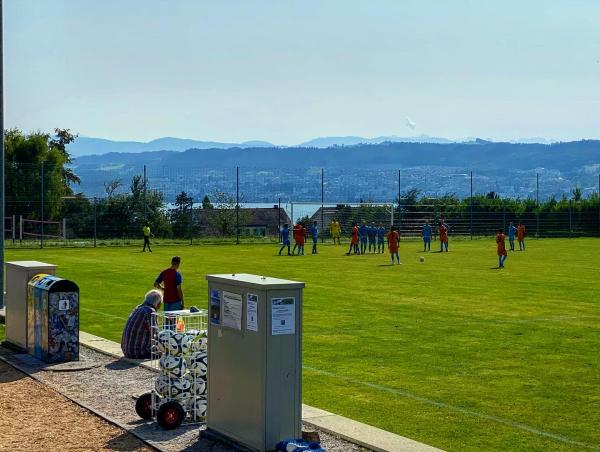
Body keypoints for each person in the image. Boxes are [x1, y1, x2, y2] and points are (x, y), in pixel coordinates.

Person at [121, 289, 162, 359]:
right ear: (158, 304)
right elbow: (155, 335)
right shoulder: (150, 312)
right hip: (137, 352)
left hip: (126, 351)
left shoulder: (139, 307)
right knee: (167, 353)